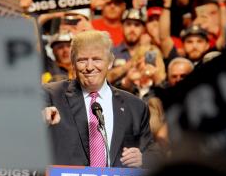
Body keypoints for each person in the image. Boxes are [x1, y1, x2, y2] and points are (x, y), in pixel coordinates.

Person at [42, 30, 159, 168]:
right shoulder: (51, 95)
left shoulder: (135, 106)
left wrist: (143, 158)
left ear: (110, 63)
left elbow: (153, 152)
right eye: (82, 60)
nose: (89, 67)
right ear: (73, 64)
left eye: (97, 59)